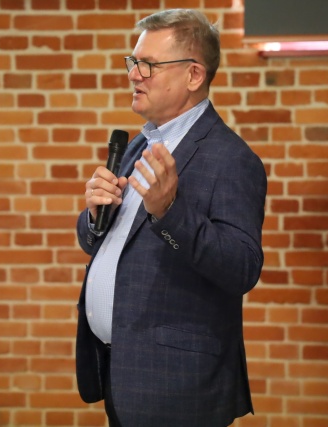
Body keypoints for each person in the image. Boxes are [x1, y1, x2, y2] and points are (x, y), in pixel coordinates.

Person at [75, 8, 267, 427]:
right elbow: (105, 242)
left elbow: (242, 268)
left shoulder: (232, 159)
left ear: (194, 75)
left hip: (178, 386)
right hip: (121, 373)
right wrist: (93, 216)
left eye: (148, 64)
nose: (134, 74)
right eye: (133, 61)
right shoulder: (139, 145)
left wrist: (170, 212)